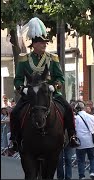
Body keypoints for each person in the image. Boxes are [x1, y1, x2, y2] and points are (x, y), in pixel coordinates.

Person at [9, 17, 80, 151]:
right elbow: (18, 79)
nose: (44, 45)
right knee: (14, 113)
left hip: (50, 92)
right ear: (34, 44)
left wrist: (55, 86)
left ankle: (72, 136)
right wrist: (22, 89)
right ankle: (15, 140)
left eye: (45, 43)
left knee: (69, 109)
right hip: (31, 94)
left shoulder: (52, 59)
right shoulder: (25, 60)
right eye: (42, 43)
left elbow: (60, 77)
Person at [74, 101, 94, 180]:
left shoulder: (75, 118)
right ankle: (92, 172)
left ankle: (82, 176)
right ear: (83, 108)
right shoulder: (91, 117)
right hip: (90, 141)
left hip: (80, 142)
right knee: (92, 158)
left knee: (81, 160)